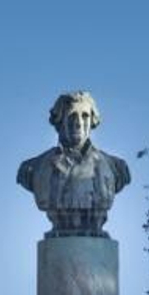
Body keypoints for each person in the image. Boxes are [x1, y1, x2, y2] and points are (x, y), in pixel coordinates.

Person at [17, 91, 131, 235]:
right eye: (72, 116)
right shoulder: (32, 168)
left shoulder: (116, 167)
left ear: (92, 120)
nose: (78, 123)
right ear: (59, 121)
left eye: (85, 116)